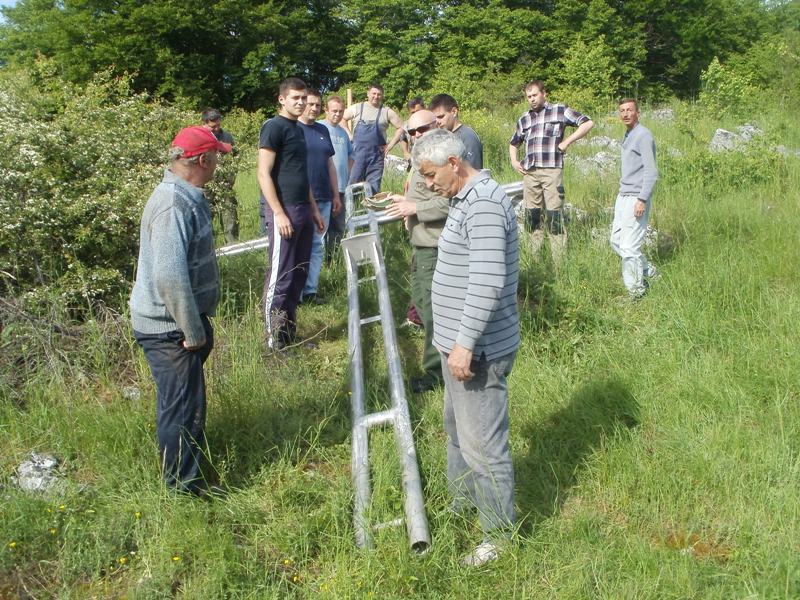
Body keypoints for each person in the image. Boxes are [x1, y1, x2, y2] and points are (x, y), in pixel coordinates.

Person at [412, 129, 520, 567]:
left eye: (430, 174)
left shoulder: (486, 204)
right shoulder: (464, 198)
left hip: (477, 352)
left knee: (484, 445)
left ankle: (500, 536)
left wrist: (463, 344)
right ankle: (462, 504)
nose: (428, 184)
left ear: (454, 163)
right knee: (458, 433)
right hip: (459, 347)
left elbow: (488, 280)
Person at [130, 126, 231, 495]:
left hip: (177, 324)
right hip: (167, 328)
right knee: (182, 409)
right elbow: (170, 277)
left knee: (186, 403)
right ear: (202, 160)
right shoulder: (173, 203)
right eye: (216, 156)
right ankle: (183, 489)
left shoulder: (187, 195)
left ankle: (186, 475)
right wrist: (192, 331)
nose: (218, 162)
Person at [257, 77, 325, 351]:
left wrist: (314, 209)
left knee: (298, 274)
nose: (300, 102)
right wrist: (278, 213)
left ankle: (288, 336)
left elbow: (301, 174)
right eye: (295, 98)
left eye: (303, 98)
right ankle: (273, 342)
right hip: (283, 210)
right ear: (282, 99)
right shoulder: (273, 127)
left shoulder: (297, 130)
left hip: (303, 209)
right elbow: (263, 174)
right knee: (281, 276)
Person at [385, 109, 447, 393]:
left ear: (436, 123)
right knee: (422, 306)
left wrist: (414, 208)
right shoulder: (424, 155)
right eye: (412, 132)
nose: (417, 135)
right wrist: (403, 200)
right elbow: (422, 196)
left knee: (434, 312)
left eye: (422, 129)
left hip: (436, 246)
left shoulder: (446, 157)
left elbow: (451, 204)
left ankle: (437, 374)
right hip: (421, 245)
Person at [508, 80, 593, 263]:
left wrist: (566, 142)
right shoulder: (525, 119)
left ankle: (558, 265)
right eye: (528, 96)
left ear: (544, 93)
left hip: (552, 170)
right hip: (530, 173)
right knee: (532, 217)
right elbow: (514, 142)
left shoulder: (559, 110)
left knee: (555, 217)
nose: (531, 99)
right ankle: (534, 262)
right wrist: (514, 161)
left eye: (535, 95)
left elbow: (587, 123)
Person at [611, 98, 659, 299]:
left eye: (629, 110)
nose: (625, 114)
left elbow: (651, 171)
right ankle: (650, 273)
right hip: (623, 196)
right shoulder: (629, 134)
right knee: (615, 241)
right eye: (622, 110)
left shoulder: (643, 135)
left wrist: (642, 199)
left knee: (629, 247)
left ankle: (636, 293)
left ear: (637, 112)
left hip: (636, 198)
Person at [299, 89, 342, 304]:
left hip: (324, 196)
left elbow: (330, 164)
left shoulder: (322, 130)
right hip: (299, 199)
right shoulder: (293, 130)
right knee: (298, 245)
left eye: (318, 105)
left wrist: (336, 194)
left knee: (317, 244)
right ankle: (294, 293)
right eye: (311, 104)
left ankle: (310, 291)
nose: (314, 108)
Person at [342, 83, 405, 194]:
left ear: (382, 96)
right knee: (352, 185)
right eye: (373, 93)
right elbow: (342, 119)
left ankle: (371, 210)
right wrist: (349, 135)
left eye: (379, 94)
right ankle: (351, 209)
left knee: (374, 188)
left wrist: (390, 146)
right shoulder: (358, 108)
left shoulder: (386, 111)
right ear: (368, 94)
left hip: (376, 157)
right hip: (356, 155)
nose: (376, 96)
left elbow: (401, 127)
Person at [321, 95, 354, 263]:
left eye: (341, 111)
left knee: (338, 226)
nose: (338, 114)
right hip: (322, 188)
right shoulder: (319, 127)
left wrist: (346, 175)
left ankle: (331, 260)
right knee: (321, 228)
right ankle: (318, 263)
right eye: (334, 111)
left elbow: (351, 156)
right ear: (326, 110)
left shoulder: (343, 133)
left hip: (340, 188)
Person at [201, 108, 239, 244]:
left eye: (218, 124)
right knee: (206, 216)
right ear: (204, 123)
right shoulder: (200, 137)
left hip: (225, 184)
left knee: (229, 213)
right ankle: (208, 246)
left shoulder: (227, 137)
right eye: (213, 126)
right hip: (205, 185)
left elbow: (235, 158)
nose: (217, 128)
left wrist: (230, 178)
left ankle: (232, 244)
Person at [428, 93, 483, 169]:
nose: (437, 121)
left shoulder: (468, 137)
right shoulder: (442, 136)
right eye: (435, 118)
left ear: (454, 112)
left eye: (441, 116)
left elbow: (474, 171)